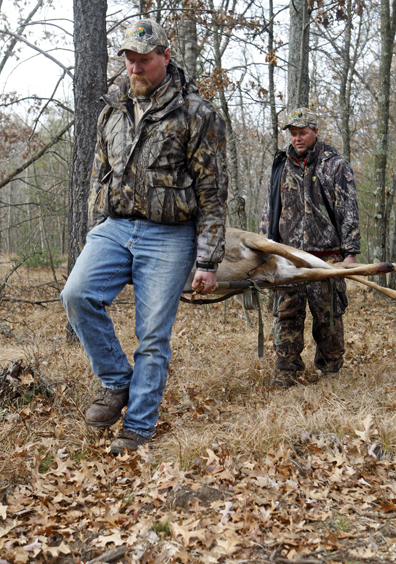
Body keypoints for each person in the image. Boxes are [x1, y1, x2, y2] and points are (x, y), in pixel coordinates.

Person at [61, 19, 227, 452]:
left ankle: (137, 427)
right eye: (130, 60)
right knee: (76, 294)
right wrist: (96, 229)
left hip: (169, 235)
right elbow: (99, 175)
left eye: (145, 59)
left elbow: (212, 190)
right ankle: (117, 383)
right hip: (115, 227)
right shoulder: (111, 109)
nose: (135, 68)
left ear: (165, 57)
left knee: (152, 335)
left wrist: (208, 261)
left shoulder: (197, 112)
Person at [260, 107, 360, 388]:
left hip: (326, 258)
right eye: (293, 133)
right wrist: (264, 248)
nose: (297, 138)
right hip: (287, 258)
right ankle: (286, 371)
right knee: (286, 316)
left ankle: (331, 372)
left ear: (315, 132)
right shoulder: (281, 164)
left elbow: (348, 210)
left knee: (328, 316)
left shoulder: (334, 165)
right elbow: (270, 210)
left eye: (302, 132)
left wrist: (350, 253)